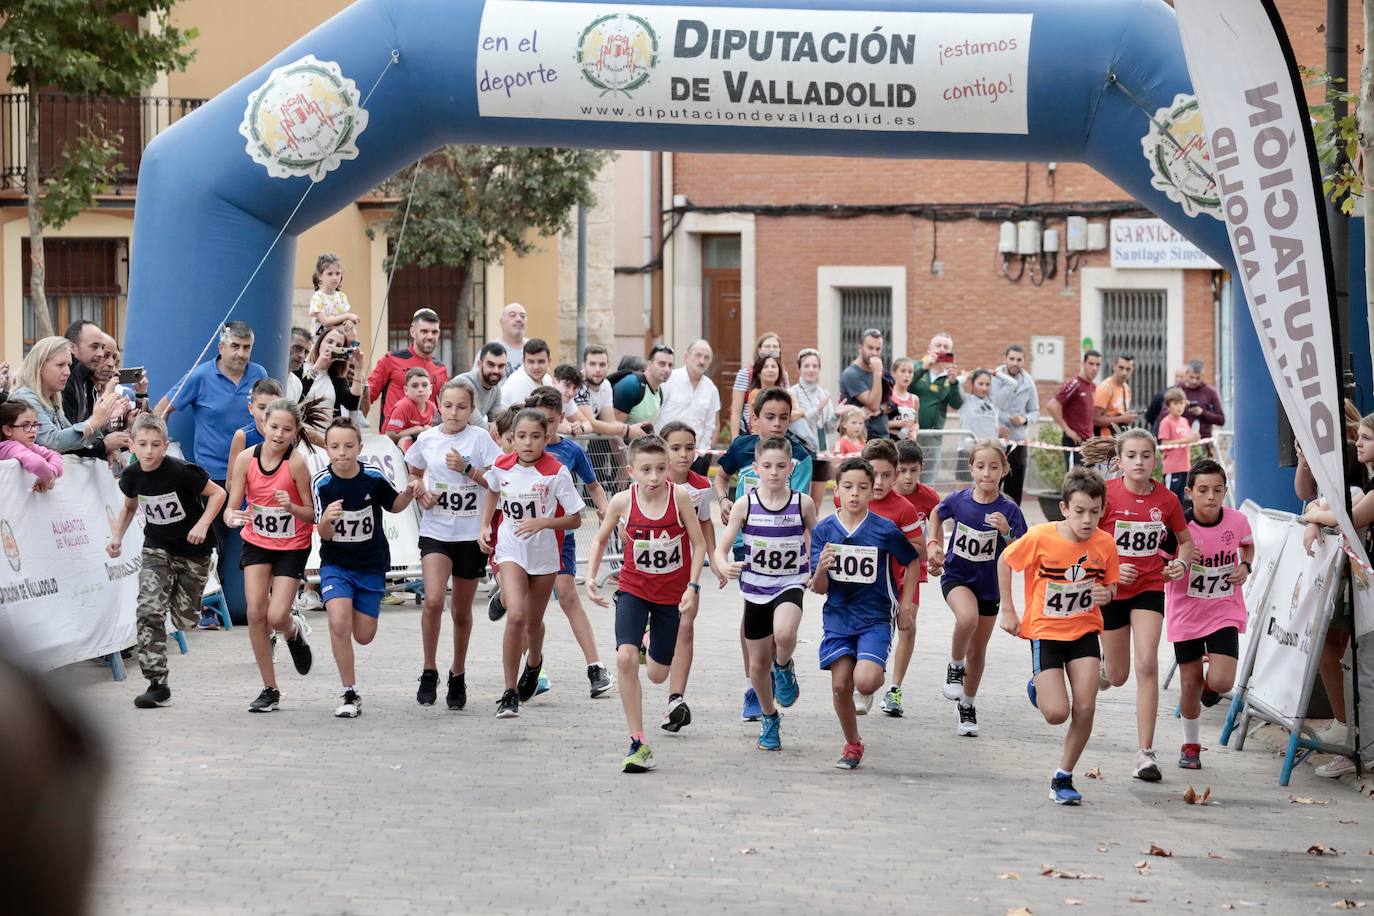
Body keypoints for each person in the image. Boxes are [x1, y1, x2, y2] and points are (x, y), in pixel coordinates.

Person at [998, 466, 1120, 806]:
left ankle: (1063, 776)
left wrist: (1106, 594)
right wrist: (1008, 609)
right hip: (1045, 632)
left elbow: (1110, 585)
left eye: (1094, 512)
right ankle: (1039, 684)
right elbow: (1006, 562)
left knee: (1086, 705)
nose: (1086, 520)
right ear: (1064, 508)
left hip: (1084, 632)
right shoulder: (1041, 536)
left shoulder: (1105, 543)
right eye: (1079, 511)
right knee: (1056, 714)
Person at [585, 435, 706, 772]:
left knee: (656, 675)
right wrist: (591, 577)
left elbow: (698, 544)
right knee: (625, 658)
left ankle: (650, 639)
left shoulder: (679, 496)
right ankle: (638, 741)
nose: (654, 477)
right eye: (646, 470)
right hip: (634, 590)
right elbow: (598, 539)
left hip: (670, 596)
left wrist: (693, 586)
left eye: (661, 469)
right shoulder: (623, 501)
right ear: (631, 471)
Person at [106, 414, 226, 709]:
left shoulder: (182, 472)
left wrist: (202, 525)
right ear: (132, 444)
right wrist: (117, 537)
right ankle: (157, 683)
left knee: (186, 618)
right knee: (148, 609)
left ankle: (189, 596)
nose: (149, 451)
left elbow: (218, 493)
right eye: (142, 444)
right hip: (157, 548)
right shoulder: (132, 475)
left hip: (193, 551)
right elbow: (130, 506)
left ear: (165, 445)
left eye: (155, 445)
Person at [810, 457, 919, 769]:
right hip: (839, 617)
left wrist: (907, 605)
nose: (855, 494)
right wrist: (821, 569)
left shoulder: (885, 530)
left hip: (874, 617)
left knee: (867, 682)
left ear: (872, 492)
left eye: (862, 487)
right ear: (838, 492)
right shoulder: (825, 530)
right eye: (848, 487)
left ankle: (868, 666)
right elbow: (819, 589)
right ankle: (853, 743)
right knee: (841, 686)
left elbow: (911, 562)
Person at [712, 386, 815, 720]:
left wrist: (812, 563)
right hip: (747, 539)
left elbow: (798, 508)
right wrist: (725, 499)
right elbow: (721, 475)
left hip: (782, 540)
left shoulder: (798, 455)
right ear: (754, 419)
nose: (777, 424)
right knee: (753, 619)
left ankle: (778, 669)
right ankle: (753, 686)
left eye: (784, 418)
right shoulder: (743, 447)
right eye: (769, 417)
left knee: (780, 626)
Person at [1098, 428, 1194, 781]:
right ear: (1119, 461)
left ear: (1156, 459)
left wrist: (1181, 563)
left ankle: (1145, 753)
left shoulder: (1166, 500)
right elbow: (1084, 538)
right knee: (1118, 675)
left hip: (1149, 587)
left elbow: (1186, 542)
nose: (1139, 462)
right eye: (1132, 456)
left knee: (1147, 663)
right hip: (1111, 591)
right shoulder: (1106, 496)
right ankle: (1099, 672)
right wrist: (1109, 567)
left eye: (1146, 456)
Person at [480, 408, 585, 719]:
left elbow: (576, 519)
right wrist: (485, 525)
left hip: (544, 556)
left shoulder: (556, 472)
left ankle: (534, 662)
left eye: (535, 437)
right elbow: (492, 491)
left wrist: (544, 522)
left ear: (546, 438)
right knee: (516, 615)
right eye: (520, 436)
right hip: (510, 549)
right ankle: (509, 692)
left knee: (532, 623)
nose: (527, 443)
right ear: (511, 438)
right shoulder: (501, 464)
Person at [314, 417, 422, 717]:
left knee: (364, 635)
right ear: (327, 450)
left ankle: (352, 682)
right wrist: (327, 520)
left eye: (349, 446)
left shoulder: (372, 477)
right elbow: (321, 532)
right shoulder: (321, 483)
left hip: (370, 565)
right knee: (338, 623)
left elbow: (395, 506)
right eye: (335, 446)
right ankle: (350, 691)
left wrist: (409, 493)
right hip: (336, 564)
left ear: (360, 448)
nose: (342, 452)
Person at [407, 377, 501, 709]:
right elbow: (414, 473)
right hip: (437, 532)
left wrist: (468, 469)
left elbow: (498, 481)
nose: (454, 412)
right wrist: (421, 494)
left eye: (462, 407)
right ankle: (429, 669)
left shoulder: (480, 440)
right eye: (448, 406)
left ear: (472, 409)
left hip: (470, 535)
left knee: (461, 612)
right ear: (438, 406)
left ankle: (457, 673)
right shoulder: (427, 438)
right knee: (433, 600)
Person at [222, 398, 322, 712]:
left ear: (295, 433)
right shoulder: (245, 460)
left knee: (277, 616)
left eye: (287, 429)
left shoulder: (296, 464)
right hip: (258, 542)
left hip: (292, 546)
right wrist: (231, 517)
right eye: (274, 426)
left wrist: (291, 507)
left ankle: (292, 632)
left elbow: (311, 514)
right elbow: (232, 505)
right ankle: (270, 688)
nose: (279, 434)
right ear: (263, 423)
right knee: (255, 613)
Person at [927, 440, 1028, 736]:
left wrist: (1006, 532)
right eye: (981, 466)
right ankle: (954, 666)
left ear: (1004, 471)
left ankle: (967, 705)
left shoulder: (1009, 509)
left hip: (989, 585)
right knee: (966, 618)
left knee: (979, 650)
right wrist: (934, 543)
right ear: (971, 468)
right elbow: (936, 514)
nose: (987, 473)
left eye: (994, 467)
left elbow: (1022, 552)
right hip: (956, 575)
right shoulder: (959, 500)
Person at [523, 386, 615, 698]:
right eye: (539, 421)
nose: (545, 429)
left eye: (550, 421)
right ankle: (535, 669)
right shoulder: (520, 450)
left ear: (561, 418)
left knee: (567, 595)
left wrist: (605, 511)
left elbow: (593, 485)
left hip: (561, 536)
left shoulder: (571, 451)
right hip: (525, 539)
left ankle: (596, 667)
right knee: (524, 609)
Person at [1164, 459, 1253, 770]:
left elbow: (1248, 547)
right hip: (1187, 612)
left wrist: (1245, 567)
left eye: (1217, 490)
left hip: (1223, 608)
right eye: (1203, 490)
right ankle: (1191, 745)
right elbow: (1158, 568)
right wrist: (1178, 562)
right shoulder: (1178, 529)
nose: (1211, 497)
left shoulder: (1238, 521)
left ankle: (1210, 681)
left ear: (1226, 491)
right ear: (1189, 492)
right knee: (1189, 682)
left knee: (1223, 681)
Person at [835, 439, 924, 715]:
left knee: (902, 628)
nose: (880, 482)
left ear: (895, 475)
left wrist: (888, 541)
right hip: (856, 588)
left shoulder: (903, 508)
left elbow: (918, 551)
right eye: (875, 475)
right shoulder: (848, 498)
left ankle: (890, 686)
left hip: (895, 583)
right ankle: (863, 678)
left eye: (887, 475)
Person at [658, 420, 727, 730]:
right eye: (675, 449)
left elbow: (705, 523)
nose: (683, 455)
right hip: (654, 571)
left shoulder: (700, 486)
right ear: (663, 450)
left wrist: (715, 556)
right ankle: (649, 639)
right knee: (662, 636)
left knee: (685, 627)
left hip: (688, 567)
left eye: (689, 448)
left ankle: (676, 699)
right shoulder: (651, 481)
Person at [158, 321, 267, 485]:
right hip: (213, 476)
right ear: (221, 347)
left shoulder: (259, 373)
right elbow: (161, 409)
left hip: (254, 469)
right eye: (235, 346)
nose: (241, 353)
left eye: (247, 348)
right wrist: (157, 450)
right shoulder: (199, 376)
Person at [881, 439, 942, 716]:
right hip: (880, 572)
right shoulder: (877, 492)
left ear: (921, 470)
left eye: (913, 471)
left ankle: (895, 688)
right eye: (902, 470)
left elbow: (936, 525)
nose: (907, 477)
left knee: (907, 625)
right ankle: (871, 671)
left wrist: (935, 550)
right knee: (879, 625)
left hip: (911, 570)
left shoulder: (929, 498)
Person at [10, 336, 125, 457]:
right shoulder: (25, 398)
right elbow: (53, 441)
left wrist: (104, 418)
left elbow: (74, 441)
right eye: (60, 365)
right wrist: (95, 422)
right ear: (39, 366)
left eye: (68, 365)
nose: (68, 372)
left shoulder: (50, 400)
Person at [367, 307, 446, 420]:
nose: (430, 336)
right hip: (393, 435)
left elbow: (442, 408)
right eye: (424, 331)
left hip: (427, 435)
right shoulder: (391, 359)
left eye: (434, 332)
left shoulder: (441, 368)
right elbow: (367, 396)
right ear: (413, 332)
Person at [655, 339, 720, 473]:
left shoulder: (711, 388)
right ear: (686, 357)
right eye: (698, 355)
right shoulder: (669, 380)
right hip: (666, 453)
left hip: (697, 456)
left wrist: (703, 451)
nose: (702, 361)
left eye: (706, 357)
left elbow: (710, 424)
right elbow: (656, 413)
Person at [911, 333, 963, 481]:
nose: (941, 349)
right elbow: (903, 384)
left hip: (933, 435)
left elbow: (957, 403)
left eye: (946, 347)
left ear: (950, 352)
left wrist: (954, 383)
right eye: (938, 345)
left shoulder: (949, 376)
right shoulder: (916, 367)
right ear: (929, 349)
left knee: (928, 479)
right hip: (911, 433)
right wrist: (924, 368)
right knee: (908, 477)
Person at [991, 344, 1039, 504]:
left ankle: (1012, 525)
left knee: (1014, 489)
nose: (1015, 363)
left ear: (1024, 362)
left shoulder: (1029, 383)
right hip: (994, 440)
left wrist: (1023, 419)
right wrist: (995, 426)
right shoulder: (994, 378)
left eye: (1019, 359)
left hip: (1017, 442)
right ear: (1005, 359)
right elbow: (987, 405)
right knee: (992, 485)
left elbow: (1035, 411)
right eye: (1011, 359)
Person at [789, 347, 836, 505]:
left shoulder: (823, 393)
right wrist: (817, 409)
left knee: (816, 503)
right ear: (799, 368)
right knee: (801, 501)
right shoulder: (792, 393)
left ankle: (814, 531)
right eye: (807, 366)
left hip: (822, 452)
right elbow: (798, 422)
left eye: (815, 366)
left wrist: (838, 416)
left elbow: (829, 428)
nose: (811, 370)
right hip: (803, 452)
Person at [303, 327, 369, 429]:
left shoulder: (336, 377)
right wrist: (317, 366)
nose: (333, 347)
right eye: (329, 341)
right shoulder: (301, 367)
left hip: (326, 440)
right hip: (300, 438)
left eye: (338, 345)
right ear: (319, 343)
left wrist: (359, 369)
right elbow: (299, 394)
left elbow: (352, 404)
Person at [1047, 350, 1102, 468]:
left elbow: (1087, 416)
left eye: (1098, 365)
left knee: (1088, 482)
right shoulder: (1075, 383)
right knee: (1075, 482)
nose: (1094, 368)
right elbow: (1052, 405)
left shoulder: (1093, 387)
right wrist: (1067, 430)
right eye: (1091, 364)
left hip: (1088, 443)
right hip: (1074, 442)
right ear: (1083, 364)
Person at [728, 332, 785, 438]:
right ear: (759, 350)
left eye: (775, 347)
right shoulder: (745, 374)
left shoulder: (784, 376)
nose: (771, 350)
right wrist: (735, 440)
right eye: (767, 346)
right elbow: (736, 411)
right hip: (748, 433)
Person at [838, 329, 889, 441]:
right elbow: (873, 404)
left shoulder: (881, 371)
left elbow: (893, 402)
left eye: (878, 349)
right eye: (870, 348)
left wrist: (881, 409)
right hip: (861, 439)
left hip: (883, 437)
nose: (874, 353)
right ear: (860, 348)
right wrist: (877, 373)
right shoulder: (851, 374)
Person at [0, 400, 63, 490]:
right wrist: (48, 477)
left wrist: (52, 471)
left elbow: (55, 455)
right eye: (26, 425)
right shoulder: (9, 447)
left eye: (35, 424)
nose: (33, 430)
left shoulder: (30, 446)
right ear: (7, 430)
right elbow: (37, 464)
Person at [612, 345, 673, 435]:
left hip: (636, 447)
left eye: (670, 365)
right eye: (662, 364)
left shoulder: (659, 392)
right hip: (608, 448)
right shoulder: (631, 385)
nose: (667, 369)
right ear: (649, 364)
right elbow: (612, 428)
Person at [1158, 388, 1199, 505]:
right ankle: (1166, 523)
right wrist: (1187, 439)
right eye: (1175, 403)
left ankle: (1179, 523)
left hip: (1185, 467)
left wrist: (1195, 438)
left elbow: (1189, 440)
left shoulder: (1185, 421)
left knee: (1182, 501)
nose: (1179, 407)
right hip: (1172, 468)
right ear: (1168, 406)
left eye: (1181, 403)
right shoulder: (1166, 422)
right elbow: (1164, 444)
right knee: (1170, 499)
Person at [61, 319, 106, 424]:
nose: (101, 353)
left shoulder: (87, 377)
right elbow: (72, 434)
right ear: (72, 347)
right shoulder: (64, 380)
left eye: (102, 347)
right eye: (94, 347)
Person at [383, 367, 435, 452]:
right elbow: (390, 436)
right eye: (415, 386)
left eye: (425, 385)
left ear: (431, 389)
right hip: (392, 453)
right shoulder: (403, 406)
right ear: (406, 390)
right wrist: (418, 429)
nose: (420, 389)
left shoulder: (432, 407)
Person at [574, 345, 621, 436]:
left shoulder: (606, 385)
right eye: (592, 364)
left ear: (608, 366)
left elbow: (609, 422)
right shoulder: (578, 383)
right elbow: (591, 423)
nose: (598, 369)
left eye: (602, 364)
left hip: (584, 446)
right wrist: (627, 430)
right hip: (564, 445)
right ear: (583, 366)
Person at [459, 341, 508, 427]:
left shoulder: (496, 387)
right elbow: (477, 424)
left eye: (501, 366)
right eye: (491, 365)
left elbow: (498, 422)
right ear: (479, 364)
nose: (496, 371)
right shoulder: (464, 384)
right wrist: (494, 427)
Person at [308, 254, 358, 334]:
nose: (335, 277)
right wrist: (348, 316)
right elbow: (326, 322)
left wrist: (349, 322)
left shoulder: (342, 297)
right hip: (320, 342)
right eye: (330, 274)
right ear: (320, 276)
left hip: (338, 340)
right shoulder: (317, 298)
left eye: (338, 273)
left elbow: (345, 319)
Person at [476, 302, 528, 378]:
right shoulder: (489, 351)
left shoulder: (534, 348)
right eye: (512, 315)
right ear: (501, 322)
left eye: (523, 316)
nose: (519, 319)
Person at [740, 353, 787, 435]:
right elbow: (754, 421)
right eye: (766, 367)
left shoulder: (784, 394)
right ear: (759, 373)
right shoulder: (755, 394)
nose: (770, 370)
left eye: (773, 367)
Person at [1179, 359, 1226, 439]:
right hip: (1181, 438)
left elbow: (1221, 420)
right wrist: (1181, 406)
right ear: (1186, 374)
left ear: (1203, 376)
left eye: (1198, 378)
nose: (1194, 381)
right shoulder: (1178, 389)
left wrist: (1202, 413)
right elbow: (1165, 413)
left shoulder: (1210, 392)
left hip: (1203, 439)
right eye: (1192, 377)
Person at [1093, 354, 1138, 436]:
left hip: (1119, 437)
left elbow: (1118, 412)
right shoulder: (1105, 388)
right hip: (1105, 440)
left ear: (1133, 370)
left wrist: (1128, 416)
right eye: (1121, 368)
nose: (1124, 373)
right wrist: (1122, 419)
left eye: (1128, 369)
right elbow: (1095, 420)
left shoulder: (1126, 388)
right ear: (1114, 366)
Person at [1143, 366, 1188, 435]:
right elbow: (1150, 415)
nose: (1178, 379)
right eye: (1177, 376)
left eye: (1181, 377)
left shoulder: (1193, 394)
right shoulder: (1163, 394)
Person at [958, 369, 999, 442]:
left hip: (990, 449)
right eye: (980, 384)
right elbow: (954, 384)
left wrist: (995, 373)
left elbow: (1013, 383)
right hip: (969, 450)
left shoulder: (993, 401)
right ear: (972, 384)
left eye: (987, 384)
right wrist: (966, 377)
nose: (984, 388)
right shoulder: (965, 400)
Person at [888, 357, 919, 439]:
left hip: (907, 442)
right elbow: (879, 424)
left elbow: (916, 423)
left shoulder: (914, 399)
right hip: (889, 441)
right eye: (903, 371)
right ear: (893, 373)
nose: (907, 375)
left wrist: (914, 432)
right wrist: (898, 423)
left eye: (910, 372)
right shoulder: (887, 396)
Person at [287, 327, 311, 401]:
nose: (302, 355)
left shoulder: (297, 384)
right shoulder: (265, 374)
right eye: (297, 348)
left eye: (306, 352)